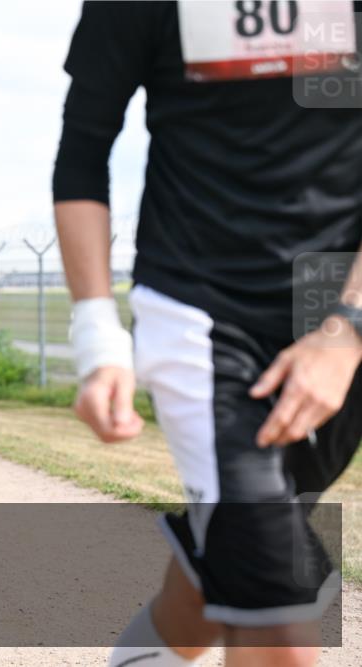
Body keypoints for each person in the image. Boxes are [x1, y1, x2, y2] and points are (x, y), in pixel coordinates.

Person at [52, 3, 362, 666]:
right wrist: (98, 336)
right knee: (276, 612)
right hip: (201, 314)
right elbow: (83, 149)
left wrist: (346, 325)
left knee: (223, 566)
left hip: (341, 311)